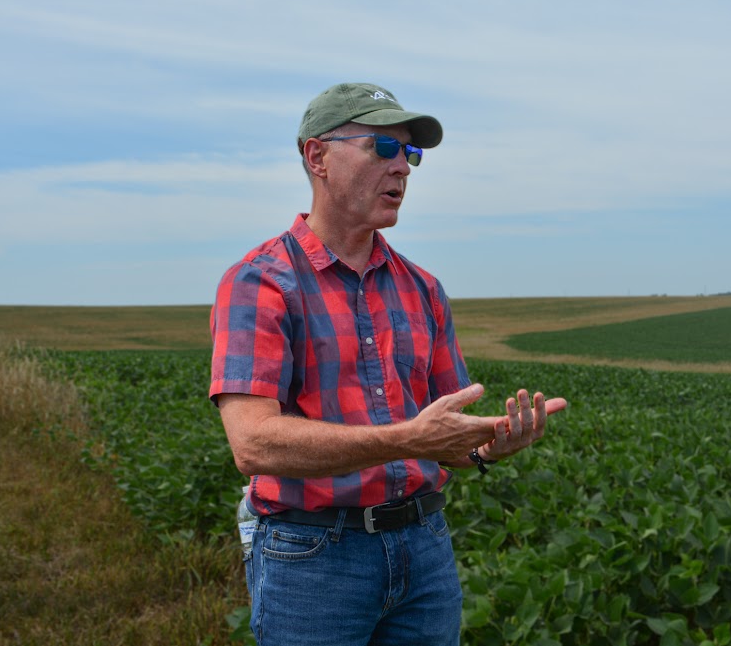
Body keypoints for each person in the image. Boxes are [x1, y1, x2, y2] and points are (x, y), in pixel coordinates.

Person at [209, 82, 566, 646]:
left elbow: (445, 438)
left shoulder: (423, 289)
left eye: (411, 154)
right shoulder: (260, 283)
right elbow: (253, 444)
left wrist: (487, 444)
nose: (403, 167)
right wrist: (409, 439)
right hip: (314, 557)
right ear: (317, 156)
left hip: (424, 545)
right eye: (383, 148)